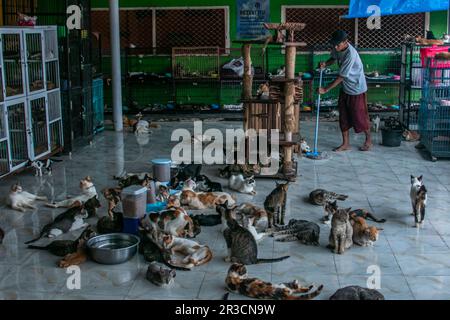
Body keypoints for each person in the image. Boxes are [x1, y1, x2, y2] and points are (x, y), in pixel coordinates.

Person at [318, 30, 372, 152]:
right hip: (346, 88)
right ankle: (345, 144)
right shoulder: (338, 49)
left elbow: (341, 76)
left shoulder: (350, 54)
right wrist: (325, 64)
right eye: (334, 45)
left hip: (357, 89)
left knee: (360, 117)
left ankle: (368, 140)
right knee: (344, 117)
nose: (335, 47)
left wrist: (325, 89)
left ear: (345, 42)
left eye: (338, 45)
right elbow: (333, 57)